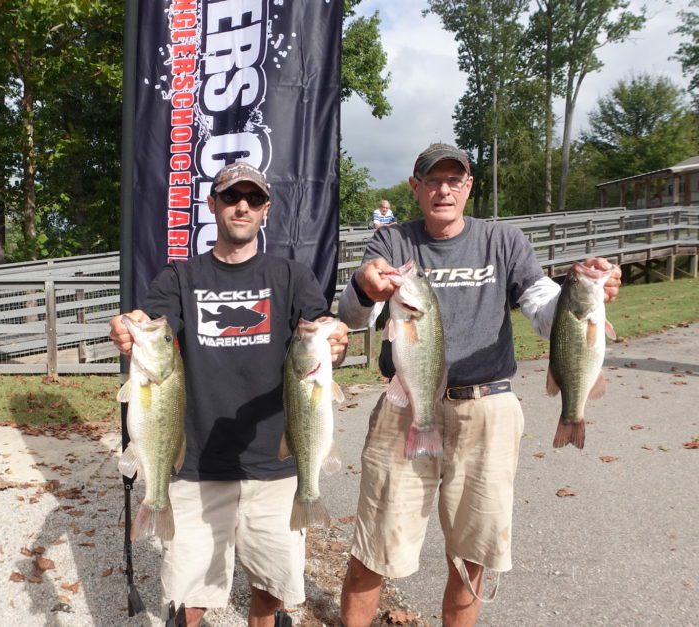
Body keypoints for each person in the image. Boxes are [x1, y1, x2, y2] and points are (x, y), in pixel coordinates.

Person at [337, 143, 622, 627]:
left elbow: (543, 311)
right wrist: (364, 287)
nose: (443, 190)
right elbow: (352, 316)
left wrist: (585, 294)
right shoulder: (391, 243)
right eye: (432, 180)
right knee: (374, 549)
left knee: (472, 556)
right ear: (415, 187)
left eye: (454, 180)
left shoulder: (504, 241)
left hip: (487, 408)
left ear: (470, 186)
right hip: (405, 406)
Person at [109, 162, 349, 627]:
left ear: (266, 211)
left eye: (254, 199)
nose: (243, 206)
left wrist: (335, 338)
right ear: (212, 204)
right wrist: (127, 326)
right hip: (196, 464)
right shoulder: (179, 277)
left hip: (277, 465)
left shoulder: (292, 276)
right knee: (189, 591)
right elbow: (150, 324)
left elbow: (322, 330)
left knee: (270, 585)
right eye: (231, 197)